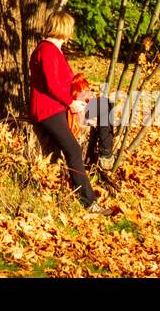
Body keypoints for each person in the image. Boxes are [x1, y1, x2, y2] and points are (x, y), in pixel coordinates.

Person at [28, 11, 110, 214]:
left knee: (103, 105)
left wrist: (81, 98)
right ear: (64, 28)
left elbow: (63, 83)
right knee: (73, 149)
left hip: (62, 105)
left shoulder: (54, 51)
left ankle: (106, 152)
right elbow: (51, 85)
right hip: (48, 109)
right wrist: (71, 103)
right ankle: (88, 202)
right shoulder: (46, 50)